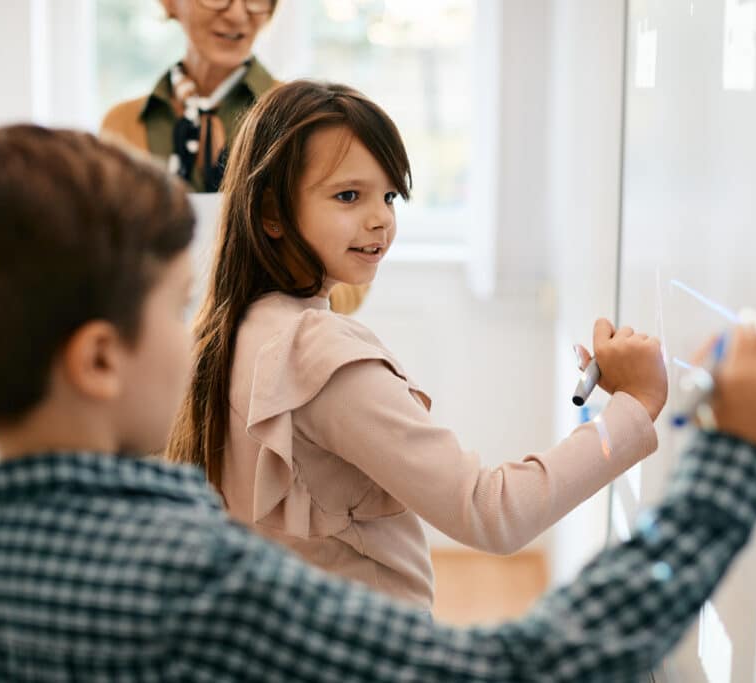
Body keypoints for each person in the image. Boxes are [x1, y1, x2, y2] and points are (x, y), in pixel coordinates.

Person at [0, 124, 756, 681]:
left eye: (388, 195)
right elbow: (524, 652)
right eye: (170, 305)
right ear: (97, 359)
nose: (380, 219)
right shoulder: (199, 581)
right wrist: (730, 461)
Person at [167, 80, 670, 609]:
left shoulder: (235, 328)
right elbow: (491, 512)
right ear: (271, 212)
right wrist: (635, 408)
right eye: (347, 196)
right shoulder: (319, 357)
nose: (381, 218)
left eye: (388, 195)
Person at [100, 0, 367, 314]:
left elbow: (351, 283)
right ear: (170, 4)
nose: (238, 14)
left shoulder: (308, 119)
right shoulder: (122, 125)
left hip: (265, 345)